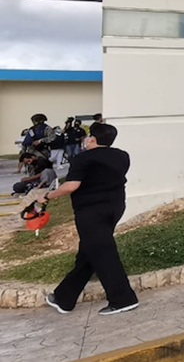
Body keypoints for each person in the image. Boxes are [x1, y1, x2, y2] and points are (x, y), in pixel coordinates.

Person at [42, 122, 139, 316]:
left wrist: (46, 196)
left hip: (91, 212)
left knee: (104, 253)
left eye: (88, 136)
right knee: (89, 252)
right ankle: (63, 298)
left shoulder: (83, 158)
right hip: (115, 208)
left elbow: (71, 186)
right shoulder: (122, 156)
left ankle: (123, 299)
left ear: (92, 139)